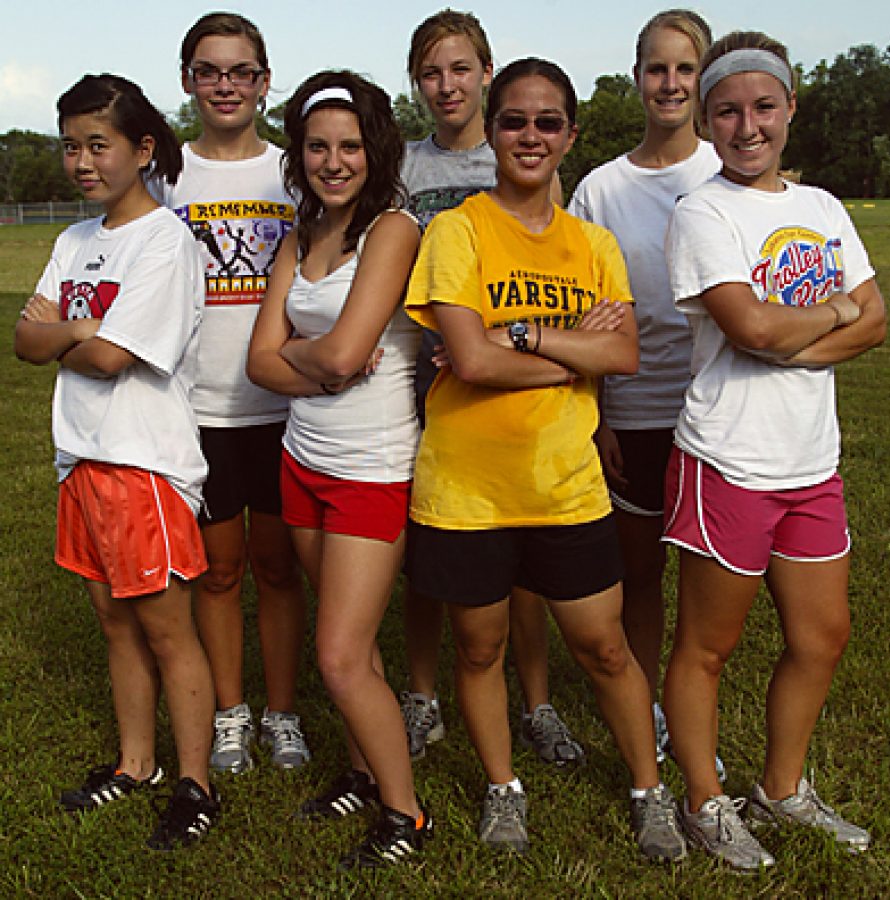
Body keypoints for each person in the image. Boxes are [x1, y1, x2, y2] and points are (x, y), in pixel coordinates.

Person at [404, 57, 685, 861]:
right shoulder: (456, 230)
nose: (530, 136)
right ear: (491, 129)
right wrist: (576, 354)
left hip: (567, 485)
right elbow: (469, 360)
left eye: (548, 122)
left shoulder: (591, 242)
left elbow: (626, 353)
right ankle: (503, 788)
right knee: (481, 648)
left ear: (570, 135)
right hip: (468, 487)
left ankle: (648, 790)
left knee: (604, 648)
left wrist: (521, 334)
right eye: (514, 120)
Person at [661, 31, 886, 869]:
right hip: (728, 458)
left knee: (822, 637)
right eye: (728, 111)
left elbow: (879, 321)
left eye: (762, 106)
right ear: (707, 120)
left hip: (810, 464)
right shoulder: (704, 212)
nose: (746, 125)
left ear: (791, 108)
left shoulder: (824, 208)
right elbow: (753, 329)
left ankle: (782, 788)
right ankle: (702, 800)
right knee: (707, 647)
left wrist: (803, 332)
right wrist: (828, 314)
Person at [14, 74, 219, 850]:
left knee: (168, 630)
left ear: (142, 148)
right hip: (83, 458)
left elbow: (105, 357)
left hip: (142, 462)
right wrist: (76, 328)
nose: (82, 162)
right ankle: (137, 765)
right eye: (71, 146)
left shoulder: (165, 240)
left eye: (98, 145)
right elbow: (26, 341)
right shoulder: (74, 242)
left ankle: (196, 782)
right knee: (115, 624)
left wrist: (67, 328)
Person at [246, 70, 431, 869]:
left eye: (349, 145)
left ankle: (406, 815)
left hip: (370, 462)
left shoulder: (394, 230)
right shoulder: (299, 237)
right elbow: (260, 362)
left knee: (339, 656)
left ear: (375, 149)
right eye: (317, 145)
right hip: (302, 458)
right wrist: (312, 362)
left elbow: (355, 353)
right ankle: (362, 771)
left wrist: (315, 355)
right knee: (348, 641)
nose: (333, 160)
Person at [400, 7, 583, 769]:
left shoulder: (519, 149)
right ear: (417, 83)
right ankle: (421, 697)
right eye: (431, 72)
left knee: (524, 554)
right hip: (426, 379)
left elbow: (557, 267)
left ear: (485, 72)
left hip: (521, 383)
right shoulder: (404, 168)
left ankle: (536, 701)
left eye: (460, 68)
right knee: (428, 546)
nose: (447, 85)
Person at [569, 9, 723, 772]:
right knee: (640, 576)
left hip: (714, 412)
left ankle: (690, 702)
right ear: (637, 79)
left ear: (703, 78)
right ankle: (648, 712)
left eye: (684, 69)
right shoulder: (602, 188)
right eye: (656, 69)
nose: (670, 84)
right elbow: (579, 310)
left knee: (703, 583)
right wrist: (594, 412)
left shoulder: (728, 177)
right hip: (631, 408)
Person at [159, 12, 308, 774]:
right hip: (199, 407)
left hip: (284, 408)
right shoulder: (165, 177)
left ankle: (282, 712)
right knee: (218, 571)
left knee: (279, 567)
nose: (225, 84)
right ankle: (230, 711)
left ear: (264, 80)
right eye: (210, 70)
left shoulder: (293, 172)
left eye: (240, 71)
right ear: (188, 79)